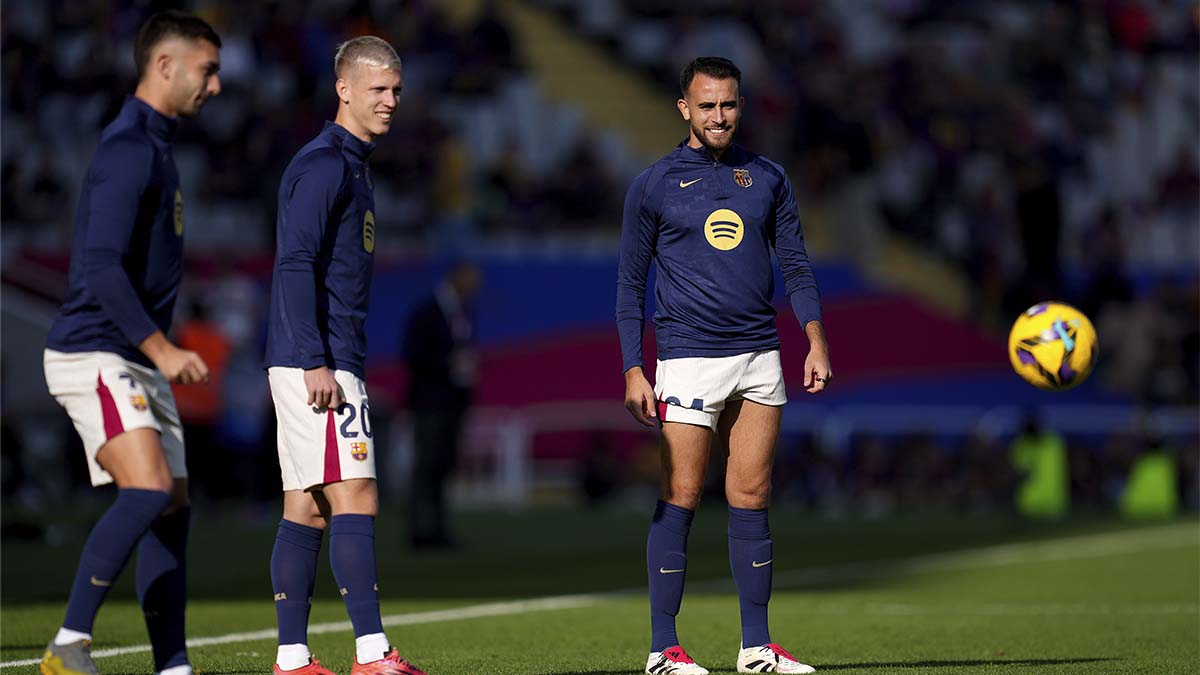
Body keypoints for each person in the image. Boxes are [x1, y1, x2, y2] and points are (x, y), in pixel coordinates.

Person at [616, 56, 831, 675]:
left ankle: (757, 648)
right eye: (706, 105)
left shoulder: (767, 177)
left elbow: (796, 266)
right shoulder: (653, 184)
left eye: (728, 104)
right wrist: (635, 367)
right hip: (686, 358)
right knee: (681, 493)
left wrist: (814, 339)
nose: (718, 116)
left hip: (761, 354)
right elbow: (631, 284)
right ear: (684, 108)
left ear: (741, 105)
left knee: (752, 493)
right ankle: (663, 650)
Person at [39, 11, 221, 675]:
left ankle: (172, 666)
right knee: (146, 490)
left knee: (172, 506)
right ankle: (68, 645)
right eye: (208, 69)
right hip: (95, 350)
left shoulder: (159, 147)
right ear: (165, 66)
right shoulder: (128, 148)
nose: (218, 85)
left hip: (133, 356)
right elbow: (98, 267)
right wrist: (164, 347)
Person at [263, 36, 427, 675]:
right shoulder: (327, 164)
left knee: (305, 505)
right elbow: (295, 262)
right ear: (345, 89)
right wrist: (314, 361)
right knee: (355, 495)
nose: (390, 102)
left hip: (322, 354)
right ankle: (372, 653)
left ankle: (293, 658)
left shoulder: (353, 164)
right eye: (378, 90)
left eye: (396, 91)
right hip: (318, 359)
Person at [402, 262, 482, 548]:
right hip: (430, 402)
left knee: (443, 466)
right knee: (426, 465)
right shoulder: (427, 312)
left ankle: (437, 529)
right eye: (472, 279)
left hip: (453, 401)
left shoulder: (462, 312)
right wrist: (448, 364)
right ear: (457, 278)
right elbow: (412, 356)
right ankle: (418, 530)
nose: (476, 286)